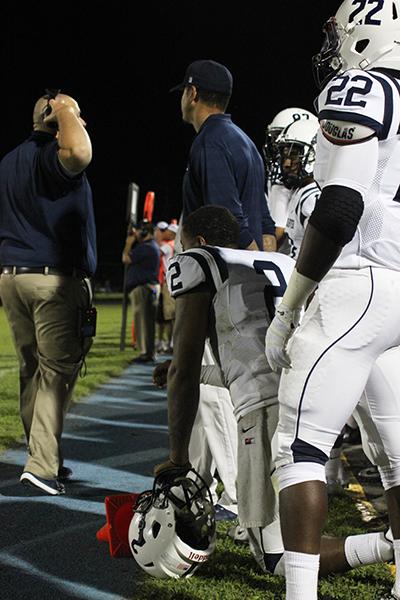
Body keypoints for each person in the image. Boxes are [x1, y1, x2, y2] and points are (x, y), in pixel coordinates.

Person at [153, 205, 395, 578]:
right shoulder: (276, 262)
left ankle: (388, 545)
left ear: (199, 242)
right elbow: (250, 361)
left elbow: (184, 371)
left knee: (279, 557)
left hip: (261, 415)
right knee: (291, 530)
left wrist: (177, 458)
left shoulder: (199, 260)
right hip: (302, 397)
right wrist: (199, 373)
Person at [265, 2, 400, 598]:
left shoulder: (361, 85)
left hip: (359, 284)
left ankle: (299, 593)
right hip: (394, 289)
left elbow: (340, 208)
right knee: (396, 456)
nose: (333, 46)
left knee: (299, 446)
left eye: (340, 33)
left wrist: (291, 304)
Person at [0, 90, 97, 496]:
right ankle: (41, 465)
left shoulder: (9, 160)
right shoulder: (51, 156)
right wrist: (66, 111)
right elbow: (79, 152)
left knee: (32, 371)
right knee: (56, 373)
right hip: (52, 280)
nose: (82, 121)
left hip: (13, 277)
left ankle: (44, 455)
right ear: (54, 119)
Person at [170, 58, 277, 252]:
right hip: (244, 272)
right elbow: (266, 225)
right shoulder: (246, 142)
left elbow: (229, 225)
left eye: (184, 91)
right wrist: (266, 269)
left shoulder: (210, 142)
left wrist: (252, 269)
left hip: (225, 274)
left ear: (193, 93)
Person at [263, 107, 319, 250]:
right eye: (284, 153)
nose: (286, 163)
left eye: (294, 154)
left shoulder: (311, 197)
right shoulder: (300, 189)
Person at [122, 220, 160, 363]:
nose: (135, 233)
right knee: (146, 322)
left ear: (145, 232)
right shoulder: (150, 246)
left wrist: (128, 243)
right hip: (147, 288)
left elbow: (125, 258)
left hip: (144, 288)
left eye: (137, 230)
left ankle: (146, 353)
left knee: (143, 322)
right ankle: (148, 352)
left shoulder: (147, 247)